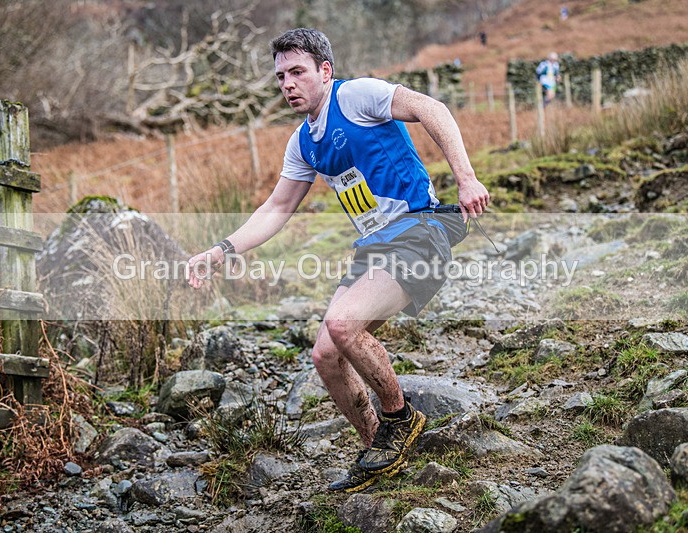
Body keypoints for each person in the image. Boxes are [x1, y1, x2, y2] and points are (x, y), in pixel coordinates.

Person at [187, 28, 490, 493]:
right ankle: (381, 453)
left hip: (420, 229)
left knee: (344, 323)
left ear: (325, 71)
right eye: (281, 76)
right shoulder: (302, 143)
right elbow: (277, 207)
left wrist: (465, 178)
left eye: (298, 72)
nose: (288, 84)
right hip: (375, 247)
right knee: (326, 354)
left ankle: (400, 418)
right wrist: (222, 249)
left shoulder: (357, 96)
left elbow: (433, 109)